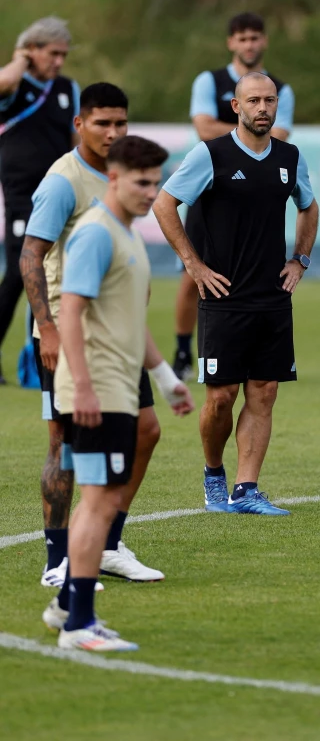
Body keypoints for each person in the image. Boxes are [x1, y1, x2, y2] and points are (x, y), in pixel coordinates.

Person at [20, 83, 190, 588]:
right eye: (102, 123)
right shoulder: (63, 181)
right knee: (67, 445)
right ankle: (58, 560)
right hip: (68, 334)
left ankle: (107, 543)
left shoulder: (123, 179)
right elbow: (31, 255)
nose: (113, 132)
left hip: (120, 335)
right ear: (80, 124)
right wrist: (47, 327)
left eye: (120, 123)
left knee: (146, 431)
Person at [42, 135, 192, 651]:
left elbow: (131, 322)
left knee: (98, 503)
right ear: (114, 178)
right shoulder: (96, 234)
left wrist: (168, 379)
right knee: (99, 503)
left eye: (156, 182)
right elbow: (72, 314)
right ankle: (80, 624)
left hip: (118, 389)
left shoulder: (129, 235)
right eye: (141, 182)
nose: (151, 192)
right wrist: (81, 387)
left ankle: (69, 606)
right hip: (98, 391)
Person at [153, 72, 318, 516]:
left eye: (270, 100)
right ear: (236, 107)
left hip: (272, 296)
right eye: (254, 101)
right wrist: (194, 264)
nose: (263, 108)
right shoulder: (210, 154)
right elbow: (164, 203)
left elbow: (308, 204)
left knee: (263, 392)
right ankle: (213, 474)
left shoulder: (290, 156)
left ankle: (247, 489)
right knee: (221, 397)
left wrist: (300, 259)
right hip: (223, 297)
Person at [172, 11, 295, 381]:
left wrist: (241, 131)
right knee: (193, 276)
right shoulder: (209, 80)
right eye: (242, 38)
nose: (249, 44)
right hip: (213, 188)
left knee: (255, 271)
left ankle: (251, 353)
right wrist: (247, 132)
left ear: (264, 41)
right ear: (231, 43)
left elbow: (282, 135)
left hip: (257, 189)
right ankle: (182, 350)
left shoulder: (281, 87)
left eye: (255, 37)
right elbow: (202, 127)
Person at [0, 17, 79, 385]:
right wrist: (20, 56)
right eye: (52, 53)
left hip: (59, 192)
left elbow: (76, 140)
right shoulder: (16, 85)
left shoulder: (67, 88)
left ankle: (39, 364)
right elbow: (4, 82)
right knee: (20, 274)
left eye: (63, 54)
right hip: (21, 193)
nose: (59, 61)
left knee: (51, 275)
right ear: (32, 52)